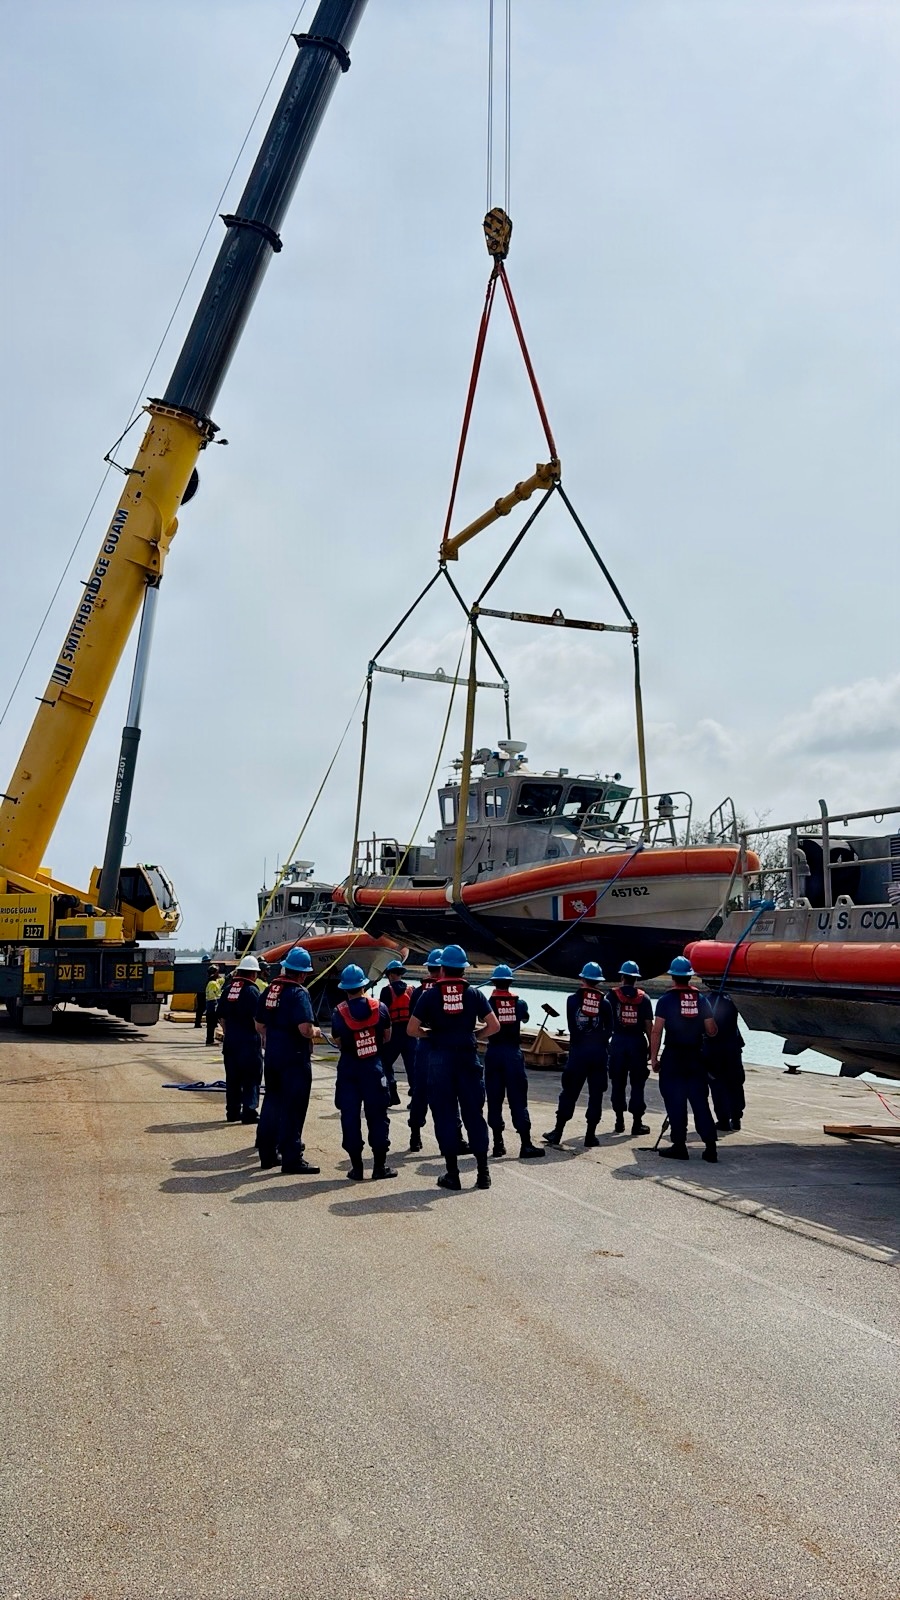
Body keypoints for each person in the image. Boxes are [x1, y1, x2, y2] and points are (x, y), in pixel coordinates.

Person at [407, 944, 500, 1191]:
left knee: (445, 1115)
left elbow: (411, 1029)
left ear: (441, 969)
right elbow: (494, 1026)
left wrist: (430, 1034)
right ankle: (483, 1174)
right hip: (468, 1058)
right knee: (474, 1114)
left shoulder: (428, 995)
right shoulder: (475, 994)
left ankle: (452, 1174)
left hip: (440, 1060)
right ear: (463, 970)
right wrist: (475, 1034)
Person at [255, 946, 320, 1176]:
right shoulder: (298, 993)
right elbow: (305, 1029)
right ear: (302, 973)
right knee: (294, 1108)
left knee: (272, 1103)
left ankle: (267, 1154)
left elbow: (259, 1025)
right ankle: (292, 1157)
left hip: (273, 1056)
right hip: (295, 1058)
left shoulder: (272, 990)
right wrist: (317, 1032)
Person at [330, 964, 397, 1182]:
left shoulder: (338, 1012)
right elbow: (387, 1037)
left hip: (349, 1068)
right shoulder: (381, 1008)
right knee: (377, 1115)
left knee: (349, 1116)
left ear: (344, 988)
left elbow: (338, 1041)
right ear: (363, 985)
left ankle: (357, 1168)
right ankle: (380, 1167)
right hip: (373, 1067)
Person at [651, 956, 719, 1162]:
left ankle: (679, 1146)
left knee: (675, 1101)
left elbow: (657, 1031)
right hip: (695, 1057)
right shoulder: (702, 1000)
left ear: (672, 976)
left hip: (673, 1057)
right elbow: (712, 1030)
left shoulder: (665, 1001)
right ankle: (710, 1147)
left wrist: (654, 1058)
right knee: (700, 1102)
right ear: (689, 977)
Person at [543, 962, 610, 1148]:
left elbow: (572, 1027)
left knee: (569, 1092)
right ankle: (590, 1135)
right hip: (598, 1054)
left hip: (578, 1053)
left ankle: (558, 1131)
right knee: (596, 1094)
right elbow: (610, 1030)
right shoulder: (605, 1003)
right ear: (599, 981)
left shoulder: (572, 1000)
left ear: (582, 979)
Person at [483, 965, 545, 1160]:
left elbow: (482, 1020)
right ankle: (525, 1144)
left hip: (494, 1053)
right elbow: (525, 1018)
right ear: (510, 982)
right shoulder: (520, 1004)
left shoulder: (487, 1003)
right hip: (513, 1054)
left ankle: (498, 1144)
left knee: (494, 1099)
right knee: (519, 1100)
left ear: (494, 982)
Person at [602, 960, 653, 1136]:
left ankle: (619, 1121)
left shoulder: (611, 996)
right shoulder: (644, 999)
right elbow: (649, 1027)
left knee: (618, 1083)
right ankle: (637, 1123)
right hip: (637, 1044)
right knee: (638, 1084)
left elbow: (605, 1023)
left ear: (622, 977)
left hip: (617, 1043)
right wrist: (652, 1050)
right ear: (636, 979)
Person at [216, 954, 263, 1124]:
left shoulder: (229, 989)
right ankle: (249, 1111)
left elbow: (221, 1017)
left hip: (231, 1041)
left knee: (233, 1078)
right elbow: (257, 1019)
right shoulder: (252, 991)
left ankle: (233, 1112)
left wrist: (229, 1032)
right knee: (251, 1076)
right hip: (249, 1042)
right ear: (253, 974)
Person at [407, 949, 443, 1153]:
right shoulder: (448, 993)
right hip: (440, 1047)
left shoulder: (419, 992)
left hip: (423, 1045)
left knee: (420, 1092)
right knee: (446, 1092)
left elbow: (413, 1021)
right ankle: (454, 1136)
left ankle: (415, 1136)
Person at [704, 990, 746, 1132]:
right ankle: (736, 1118)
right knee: (735, 1083)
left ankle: (723, 1120)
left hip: (714, 1048)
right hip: (733, 1047)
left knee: (717, 1084)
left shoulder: (706, 1000)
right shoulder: (733, 998)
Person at [378, 958, 416, 1107]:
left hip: (394, 1032)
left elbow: (382, 1014)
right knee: (412, 1067)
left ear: (390, 975)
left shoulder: (386, 991)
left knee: (385, 1063)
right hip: (410, 1033)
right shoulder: (412, 990)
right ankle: (415, 1098)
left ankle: (391, 1092)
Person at [204, 965, 222, 1046]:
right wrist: (216, 1008)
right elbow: (212, 997)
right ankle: (210, 1040)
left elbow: (222, 980)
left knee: (212, 1024)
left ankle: (210, 1039)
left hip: (212, 1006)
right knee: (211, 1025)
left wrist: (232, 974)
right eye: (217, 972)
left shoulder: (214, 982)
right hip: (212, 1007)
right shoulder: (212, 983)